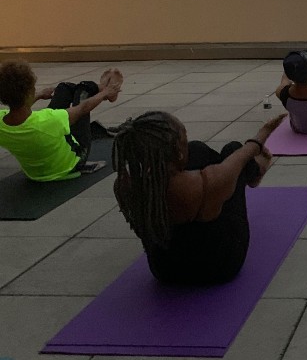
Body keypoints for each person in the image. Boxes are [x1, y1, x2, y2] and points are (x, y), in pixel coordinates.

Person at [112, 111, 286, 285]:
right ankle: (256, 173)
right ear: (178, 151)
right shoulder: (207, 181)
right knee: (232, 149)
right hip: (219, 267)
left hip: (165, 270)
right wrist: (266, 130)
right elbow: (245, 153)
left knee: (197, 149)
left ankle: (249, 171)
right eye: (183, 139)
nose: (186, 143)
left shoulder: (124, 185)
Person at [0, 60, 123, 181]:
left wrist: (39, 95)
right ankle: (105, 89)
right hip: (71, 163)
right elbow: (82, 108)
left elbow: (18, 105)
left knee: (64, 88)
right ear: (29, 93)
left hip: (35, 172)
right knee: (84, 89)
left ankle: (103, 89)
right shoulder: (49, 120)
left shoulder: (2, 121)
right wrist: (104, 93)